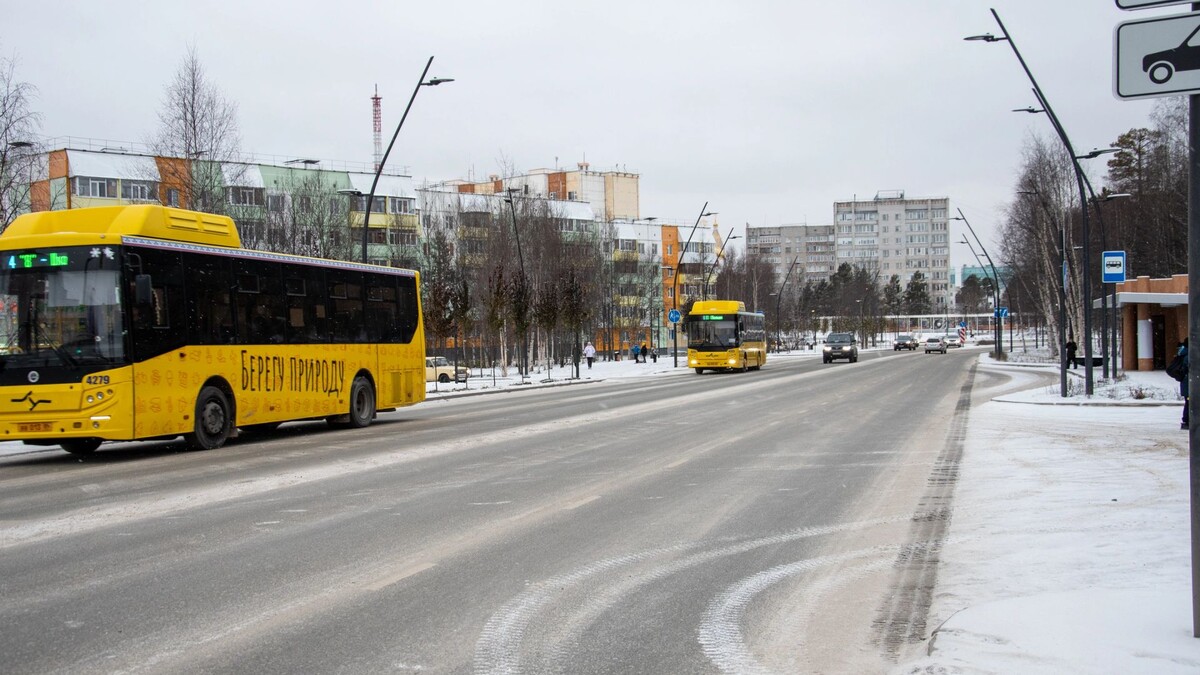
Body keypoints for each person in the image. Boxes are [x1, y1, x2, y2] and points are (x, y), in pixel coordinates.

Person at [1178, 338, 1189, 430]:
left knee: (1188, 402)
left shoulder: (1183, 353)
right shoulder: (1189, 355)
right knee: (1190, 403)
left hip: (1186, 384)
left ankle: (1186, 421)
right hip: (1189, 384)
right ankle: (1187, 421)